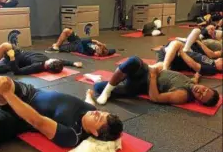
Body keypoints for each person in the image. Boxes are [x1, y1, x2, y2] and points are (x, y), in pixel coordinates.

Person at [91, 56, 220, 106]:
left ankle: (106, 83)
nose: (200, 91)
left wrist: (153, 75)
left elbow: (155, 98)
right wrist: (197, 76)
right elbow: (194, 81)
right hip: (145, 72)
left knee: (97, 87)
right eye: (205, 89)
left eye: (201, 96)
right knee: (133, 61)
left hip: (141, 84)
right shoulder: (194, 85)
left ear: (198, 101)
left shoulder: (182, 95)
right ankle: (110, 86)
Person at [0, 42, 83, 79]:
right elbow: (61, 61)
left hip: (14, 59)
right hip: (18, 52)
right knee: (5, 46)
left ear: (48, 65)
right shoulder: (51, 62)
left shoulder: (37, 66)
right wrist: (73, 63)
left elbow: (17, 72)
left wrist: (11, 57)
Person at [157, 40, 222, 83]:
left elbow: (195, 66)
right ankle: (164, 69)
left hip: (176, 58)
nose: (222, 59)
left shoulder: (212, 69)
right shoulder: (211, 60)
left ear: (221, 68)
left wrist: (182, 53)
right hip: (172, 52)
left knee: (154, 70)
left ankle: (164, 70)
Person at [45, 28, 116, 57]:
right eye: (99, 47)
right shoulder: (98, 49)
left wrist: (96, 41)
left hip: (75, 47)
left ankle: (56, 47)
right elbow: (113, 50)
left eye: (98, 49)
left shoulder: (90, 51)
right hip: (77, 40)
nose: (97, 47)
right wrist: (105, 49)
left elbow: (83, 41)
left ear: (97, 53)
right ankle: (57, 46)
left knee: (53, 47)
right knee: (66, 30)